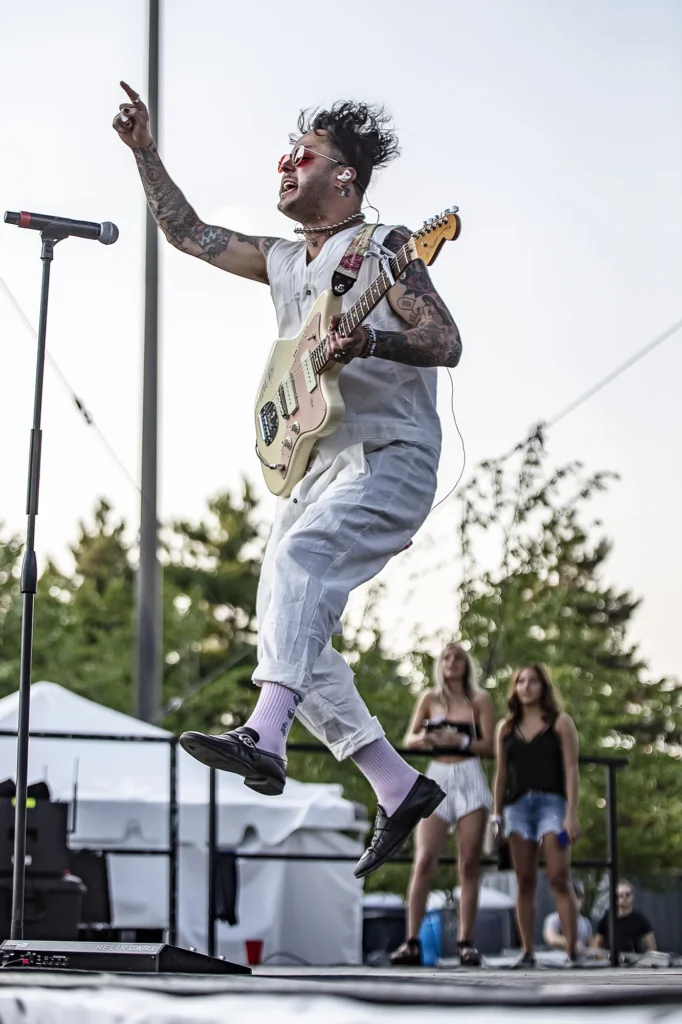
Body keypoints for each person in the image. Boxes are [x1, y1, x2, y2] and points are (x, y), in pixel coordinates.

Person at [113, 86, 463, 877]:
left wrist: (370, 339)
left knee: (300, 568)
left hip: (388, 456)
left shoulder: (385, 248)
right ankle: (396, 784)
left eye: (302, 155)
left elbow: (444, 340)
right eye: (285, 153)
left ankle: (263, 735)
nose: (285, 163)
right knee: (290, 621)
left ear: (344, 177)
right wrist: (145, 153)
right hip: (316, 465)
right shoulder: (280, 259)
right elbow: (188, 232)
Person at [389, 643, 495, 967]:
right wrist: (429, 737)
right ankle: (411, 941)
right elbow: (409, 739)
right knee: (423, 860)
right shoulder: (430, 698)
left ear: (467, 664)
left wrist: (460, 740)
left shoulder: (479, 700)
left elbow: (490, 745)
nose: (452, 663)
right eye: (447, 657)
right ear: (441, 664)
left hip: (469, 775)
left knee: (469, 862)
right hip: (438, 775)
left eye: (459, 658)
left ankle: (465, 942)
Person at [492, 665, 581, 967]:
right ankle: (528, 952)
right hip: (517, 807)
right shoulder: (506, 727)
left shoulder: (560, 722)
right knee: (524, 879)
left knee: (559, 877)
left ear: (543, 687)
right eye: (521, 681)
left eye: (533, 681)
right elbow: (501, 775)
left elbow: (571, 769)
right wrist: (496, 816)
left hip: (552, 805)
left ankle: (572, 952)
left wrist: (572, 814)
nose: (526, 686)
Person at [593, 880, 656, 954]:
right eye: (621, 895)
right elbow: (597, 944)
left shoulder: (640, 919)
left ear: (632, 896)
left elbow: (651, 946)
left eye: (627, 894)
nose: (624, 898)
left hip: (633, 959)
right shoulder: (607, 918)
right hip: (611, 959)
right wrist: (601, 958)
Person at [543, 878, 593, 953]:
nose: (575, 901)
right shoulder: (553, 919)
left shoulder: (586, 923)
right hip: (557, 958)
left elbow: (589, 944)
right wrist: (572, 944)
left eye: (578, 897)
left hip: (579, 958)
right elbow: (551, 938)